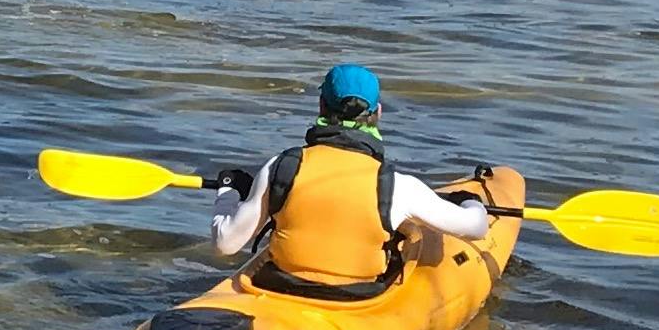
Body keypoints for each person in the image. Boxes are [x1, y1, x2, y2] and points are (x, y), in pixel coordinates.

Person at [202, 64, 506, 294]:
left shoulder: (281, 167)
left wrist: (229, 192)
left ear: (321, 106)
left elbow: (225, 244)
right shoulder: (398, 186)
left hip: (280, 287)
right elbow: (476, 228)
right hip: (355, 299)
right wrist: (472, 201)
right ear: (378, 114)